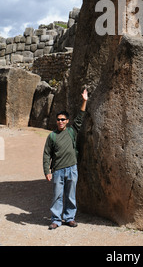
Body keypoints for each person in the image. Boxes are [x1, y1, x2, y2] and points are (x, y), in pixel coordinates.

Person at [43, 89, 88, 230]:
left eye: (63, 119)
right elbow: (46, 154)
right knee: (57, 196)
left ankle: (69, 218)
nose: (60, 121)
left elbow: (80, 117)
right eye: (58, 119)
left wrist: (84, 100)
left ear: (67, 121)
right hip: (57, 171)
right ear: (56, 121)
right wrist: (47, 171)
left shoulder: (71, 131)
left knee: (70, 195)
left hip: (72, 168)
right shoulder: (52, 136)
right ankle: (56, 219)